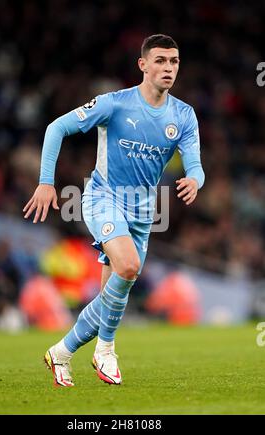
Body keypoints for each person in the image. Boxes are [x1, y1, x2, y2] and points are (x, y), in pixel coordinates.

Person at [23, 34, 205, 387]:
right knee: (129, 266)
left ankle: (61, 352)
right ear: (143, 65)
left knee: (114, 292)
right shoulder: (114, 104)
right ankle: (106, 350)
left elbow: (195, 164)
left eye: (174, 62)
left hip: (142, 212)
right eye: (161, 61)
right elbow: (56, 127)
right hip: (103, 198)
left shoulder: (183, 115)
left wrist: (195, 180)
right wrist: (46, 182)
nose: (168, 68)